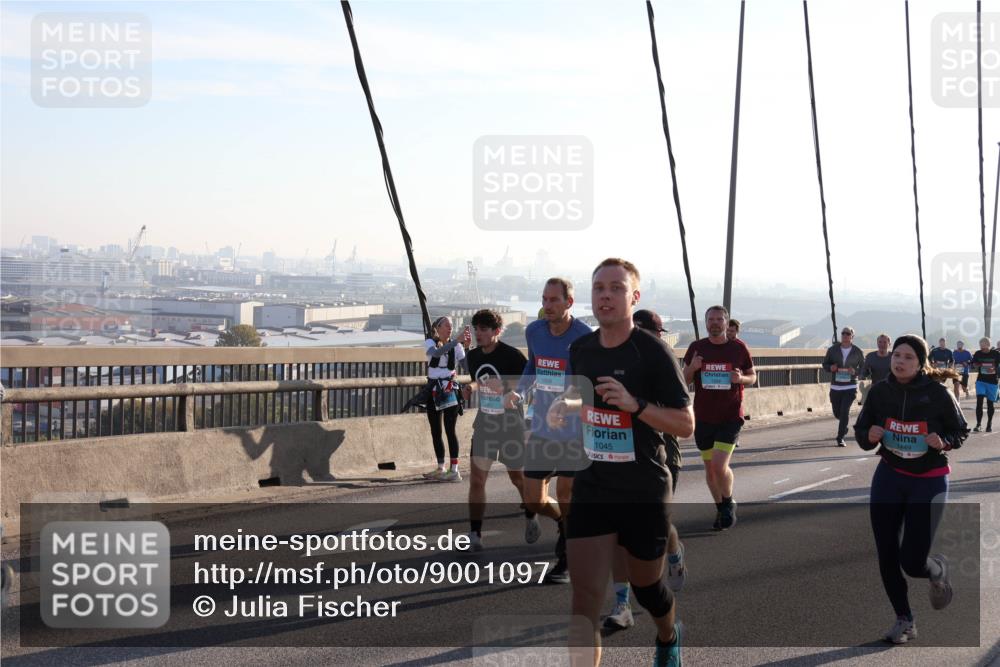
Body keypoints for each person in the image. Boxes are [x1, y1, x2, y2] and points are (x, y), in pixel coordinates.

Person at [548, 257, 693, 667]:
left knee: (649, 588)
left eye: (615, 288)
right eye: (599, 288)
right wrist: (564, 406)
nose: (606, 295)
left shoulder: (652, 352)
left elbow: (685, 424)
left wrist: (635, 405)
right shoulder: (582, 349)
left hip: (643, 489)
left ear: (634, 296)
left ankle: (668, 636)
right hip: (593, 485)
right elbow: (579, 396)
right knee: (584, 602)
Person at [853, 335, 966, 644]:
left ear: (920, 363)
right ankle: (905, 620)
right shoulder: (880, 392)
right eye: (897, 355)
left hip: (928, 481)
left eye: (908, 357)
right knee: (887, 554)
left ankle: (936, 569)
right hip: (889, 476)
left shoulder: (938, 394)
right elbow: (862, 432)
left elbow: (960, 430)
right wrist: (870, 436)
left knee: (912, 562)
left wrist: (943, 441)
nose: (899, 361)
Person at [601, 309, 687, 632]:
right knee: (618, 538)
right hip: (617, 460)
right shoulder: (610, 358)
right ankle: (621, 604)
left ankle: (674, 553)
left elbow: (681, 416)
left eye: (645, 331)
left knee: (659, 527)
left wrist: (638, 403)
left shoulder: (663, 361)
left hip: (661, 457)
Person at [512, 277, 593, 584]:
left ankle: (567, 559)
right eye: (544, 299)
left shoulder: (584, 336)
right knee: (533, 499)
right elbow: (532, 367)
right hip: (543, 427)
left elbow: (589, 384)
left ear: (569, 303)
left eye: (554, 300)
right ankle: (562, 524)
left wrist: (569, 402)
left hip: (575, 430)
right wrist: (520, 392)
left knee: (567, 492)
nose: (547, 306)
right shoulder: (535, 331)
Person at [462, 309, 533, 551]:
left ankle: (531, 513)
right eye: (476, 329)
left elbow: (528, 384)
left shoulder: (512, 356)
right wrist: (471, 387)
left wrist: (504, 386)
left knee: (517, 478)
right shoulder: (473, 357)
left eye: (484, 329)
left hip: (511, 424)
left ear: (496, 331)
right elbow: (479, 380)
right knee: (477, 479)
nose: (478, 334)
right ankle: (475, 534)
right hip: (485, 424)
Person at [682, 305, 756, 530]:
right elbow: (683, 381)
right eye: (711, 319)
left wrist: (740, 379)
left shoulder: (738, 348)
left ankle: (728, 500)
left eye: (719, 319)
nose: (714, 323)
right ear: (706, 323)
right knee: (710, 469)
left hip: (730, 416)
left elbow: (753, 377)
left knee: (718, 465)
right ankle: (721, 509)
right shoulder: (696, 347)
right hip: (703, 417)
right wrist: (693, 368)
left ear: (726, 322)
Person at [422, 316, 470, 482]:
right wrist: (456, 341)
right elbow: (435, 354)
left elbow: (466, 367)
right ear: (438, 328)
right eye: (447, 326)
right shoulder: (430, 343)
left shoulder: (456, 346)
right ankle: (441, 467)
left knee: (450, 429)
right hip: (434, 388)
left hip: (449, 388)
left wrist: (467, 347)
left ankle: (454, 469)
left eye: (451, 326)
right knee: (436, 430)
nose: (450, 328)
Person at [822, 326, 865, 446]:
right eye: (843, 333)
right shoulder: (833, 350)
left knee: (844, 411)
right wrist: (831, 368)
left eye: (848, 334)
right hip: (836, 386)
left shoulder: (857, 351)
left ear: (852, 337)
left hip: (850, 387)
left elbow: (864, 369)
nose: (845, 336)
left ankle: (840, 437)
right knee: (837, 413)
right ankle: (844, 426)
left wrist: (855, 372)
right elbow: (825, 364)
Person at [971, 337, 1000, 432]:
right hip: (981, 381)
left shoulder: (996, 354)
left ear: (988, 344)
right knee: (979, 401)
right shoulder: (978, 353)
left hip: (992, 382)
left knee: (990, 404)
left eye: (983, 345)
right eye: (980, 345)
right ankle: (978, 424)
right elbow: (973, 364)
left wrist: (995, 369)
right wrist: (976, 365)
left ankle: (989, 424)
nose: (981, 347)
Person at [862, 334, 893, 404]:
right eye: (880, 342)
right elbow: (864, 372)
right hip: (875, 389)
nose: (882, 344)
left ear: (889, 344)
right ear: (877, 343)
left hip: (891, 389)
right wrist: (864, 374)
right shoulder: (870, 356)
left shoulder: (894, 356)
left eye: (885, 342)